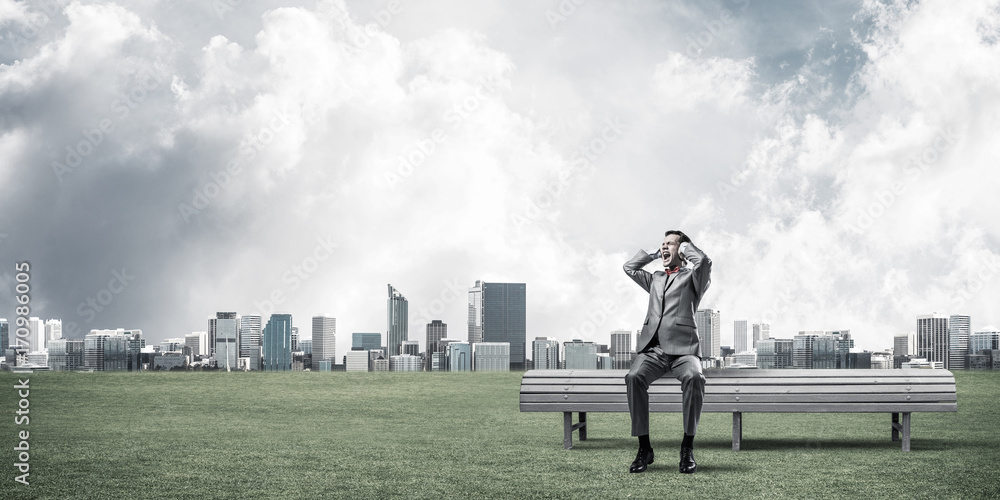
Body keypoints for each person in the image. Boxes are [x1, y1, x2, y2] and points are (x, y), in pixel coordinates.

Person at [623, 230, 711, 474]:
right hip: (654, 349)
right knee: (633, 377)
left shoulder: (694, 278)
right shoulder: (655, 278)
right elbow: (629, 267)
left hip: (684, 351)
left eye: (670, 244)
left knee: (695, 378)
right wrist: (654, 254)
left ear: (681, 250)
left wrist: (685, 247)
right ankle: (644, 448)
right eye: (662, 244)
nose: (664, 247)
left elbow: (704, 261)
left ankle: (687, 447)